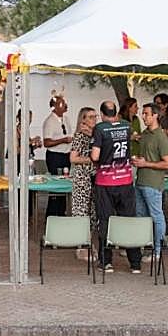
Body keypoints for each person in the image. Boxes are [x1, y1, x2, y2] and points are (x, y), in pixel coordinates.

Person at [91, 101, 140, 274]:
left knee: (105, 220)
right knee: (128, 219)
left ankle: (106, 262)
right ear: (116, 112)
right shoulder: (126, 126)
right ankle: (135, 263)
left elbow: (95, 156)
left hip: (105, 181)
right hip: (125, 179)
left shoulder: (100, 128)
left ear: (102, 114)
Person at [132, 102, 168, 258]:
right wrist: (137, 161)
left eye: (146, 114)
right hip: (140, 180)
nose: (143, 116)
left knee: (156, 215)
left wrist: (145, 163)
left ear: (155, 115)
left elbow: (167, 163)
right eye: (143, 113)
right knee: (141, 215)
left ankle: (158, 250)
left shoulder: (161, 137)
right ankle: (143, 246)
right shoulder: (145, 134)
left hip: (153, 183)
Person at [68, 107, 98, 258]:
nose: (94, 119)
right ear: (83, 119)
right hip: (82, 178)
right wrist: (91, 159)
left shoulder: (94, 136)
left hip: (93, 178)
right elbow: (73, 158)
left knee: (91, 213)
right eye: (91, 117)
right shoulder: (79, 136)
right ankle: (81, 247)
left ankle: (88, 243)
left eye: (95, 116)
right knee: (81, 212)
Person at [41, 96, 72, 217]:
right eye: (62, 103)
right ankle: (52, 214)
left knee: (64, 183)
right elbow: (47, 142)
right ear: (54, 107)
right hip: (55, 156)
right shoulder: (49, 122)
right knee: (56, 185)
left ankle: (62, 212)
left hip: (66, 155)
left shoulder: (66, 119)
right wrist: (63, 140)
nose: (65, 105)